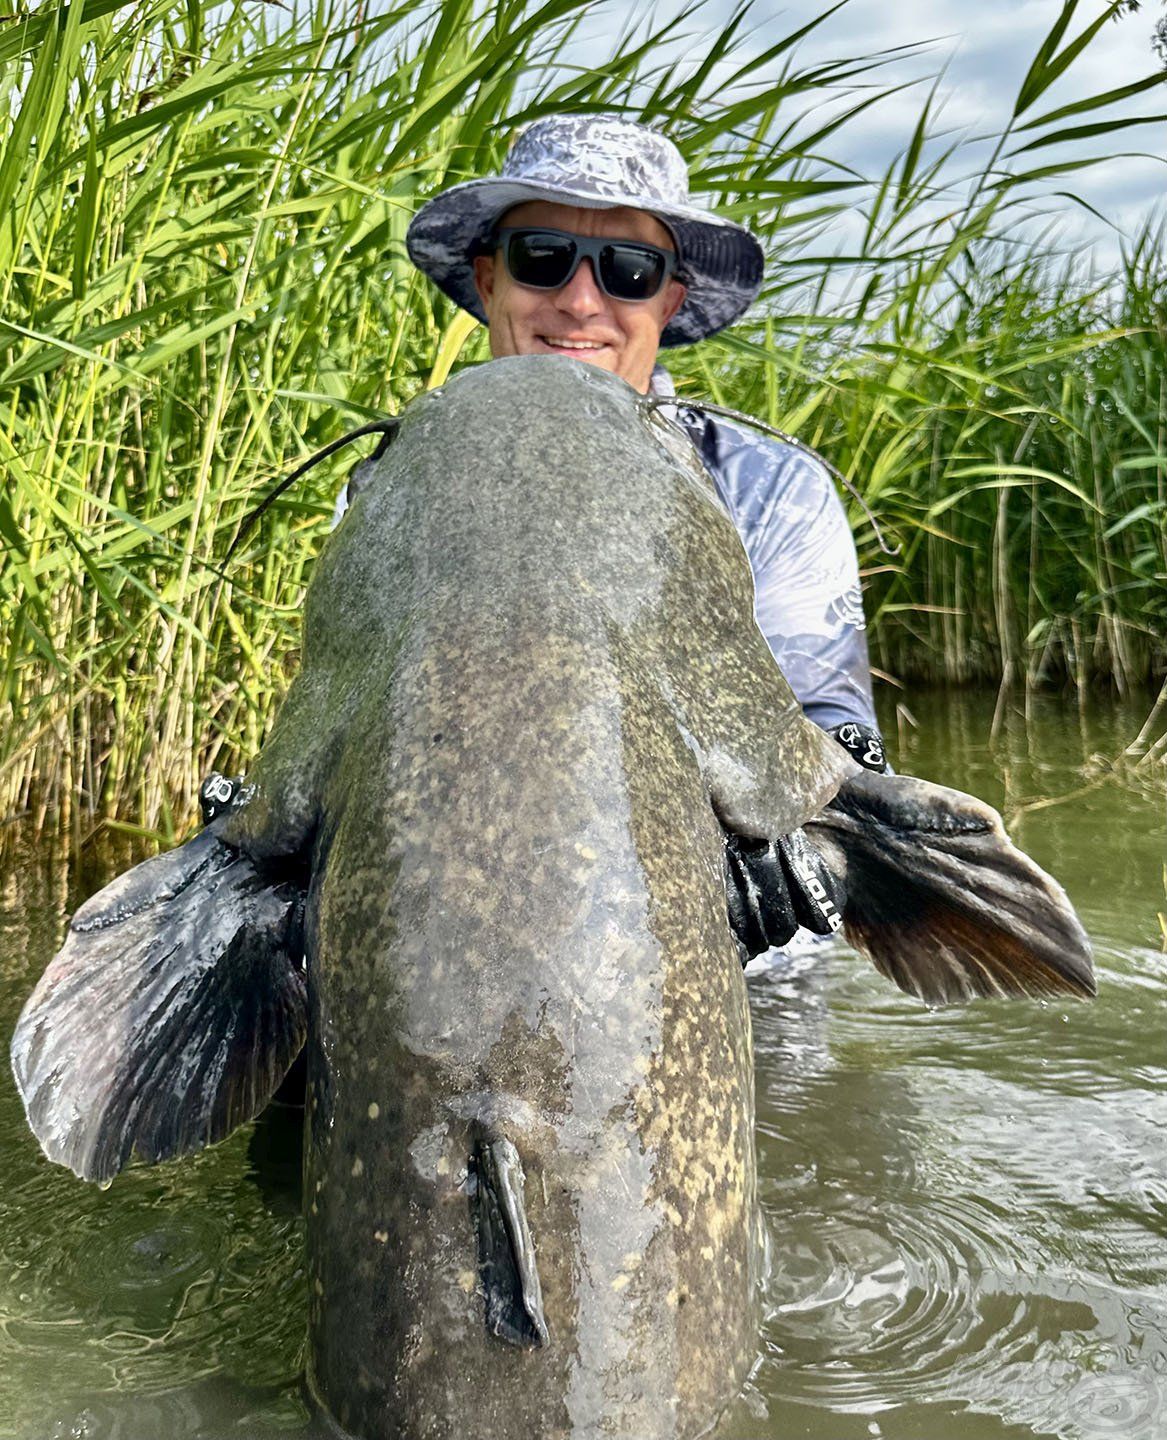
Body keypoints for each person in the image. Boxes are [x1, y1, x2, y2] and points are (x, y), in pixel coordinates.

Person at [206, 114, 888, 956]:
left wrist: (786, 852)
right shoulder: (397, 481)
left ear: (669, 300)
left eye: (628, 271)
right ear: (488, 279)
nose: (578, 301)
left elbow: (833, 725)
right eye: (541, 259)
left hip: (741, 970)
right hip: (448, 939)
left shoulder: (772, 487)